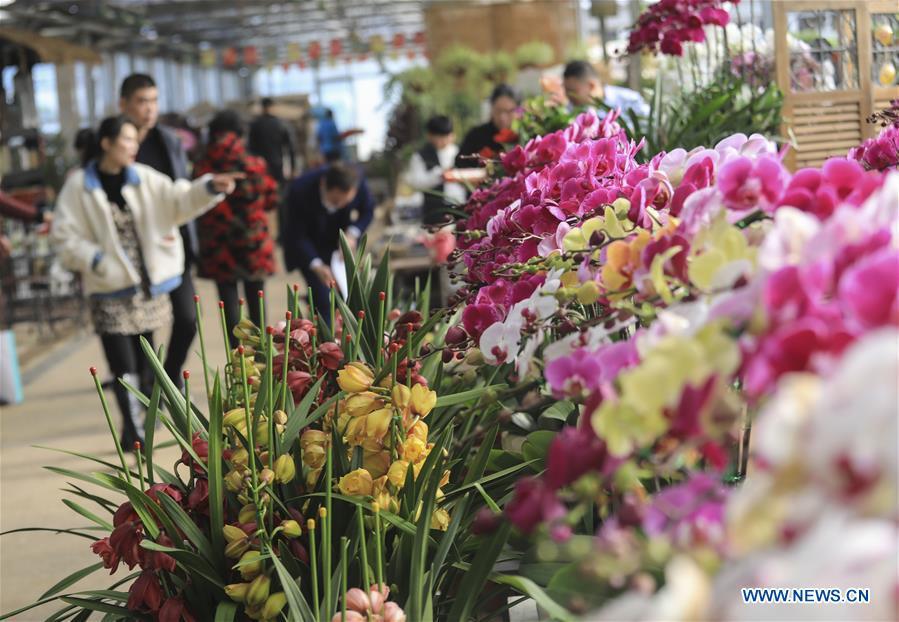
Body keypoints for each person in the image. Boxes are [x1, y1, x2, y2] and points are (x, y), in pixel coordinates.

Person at [51, 115, 240, 448]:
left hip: (146, 287)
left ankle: (146, 417)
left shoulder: (145, 178)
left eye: (134, 139)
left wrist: (209, 187)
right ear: (106, 143)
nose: (133, 146)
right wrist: (95, 260)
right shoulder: (79, 186)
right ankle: (131, 427)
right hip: (107, 286)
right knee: (121, 361)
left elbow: (180, 200)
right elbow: (64, 236)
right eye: (126, 139)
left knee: (145, 357)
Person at [119, 73, 197, 389]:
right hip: (132, 252)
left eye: (153, 100)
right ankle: (150, 387)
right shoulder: (113, 142)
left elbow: (183, 191)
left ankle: (170, 375)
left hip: (171, 245)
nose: (149, 108)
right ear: (124, 104)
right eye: (142, 101)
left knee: (188, 319)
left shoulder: (168, 140)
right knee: (143, 330)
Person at [193, 111, 278, 345]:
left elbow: (194, 201)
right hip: (253, 241)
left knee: (228, 303)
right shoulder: (254, 163)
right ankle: (260, 355)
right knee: (257, 301)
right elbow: (271, 198)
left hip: (218, 244)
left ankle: (236, 357)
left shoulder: (203, 165)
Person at [283, 162, 374, 324]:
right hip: (310, 246)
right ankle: (325, 334)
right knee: (323, 298)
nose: (340, 206)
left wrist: (352, 233)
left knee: (347, 297)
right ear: (324, 185)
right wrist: (316, 264)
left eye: (346, 202)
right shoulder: (299, 190)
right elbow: (296, 235)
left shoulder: (357, 182)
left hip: (339, 246)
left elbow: (368, 210)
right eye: (336, 201)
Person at [404, 115, 465, 226]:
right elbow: (417, 183)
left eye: (447, 136)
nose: (444, 140)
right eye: (440, 137)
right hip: (434, 213)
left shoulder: (460, 152)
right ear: (430, 136)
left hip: (460, 209)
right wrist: (440, 175)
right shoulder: (420, 156)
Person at [455, 84, 519, 168]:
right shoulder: (476, 136)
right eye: (498, 110)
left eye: (508, 111)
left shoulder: (524, 136)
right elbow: (460, 164)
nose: (502, 117)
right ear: (491, 108)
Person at [562, 60, 650, 117]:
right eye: (566, 90)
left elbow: (649, 128)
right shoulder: (571, 108)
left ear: (591, 86)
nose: (568, 95)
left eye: (572, 91)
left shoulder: (629, 99)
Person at [248, 97, 296, 184]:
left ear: (262, 107)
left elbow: (250, 147)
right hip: (278, 165)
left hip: (260, 166)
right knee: (279, 187)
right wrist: (293, 167)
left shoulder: (255, 125)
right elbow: (291, 148)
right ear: (274, 107)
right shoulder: (282, 124)